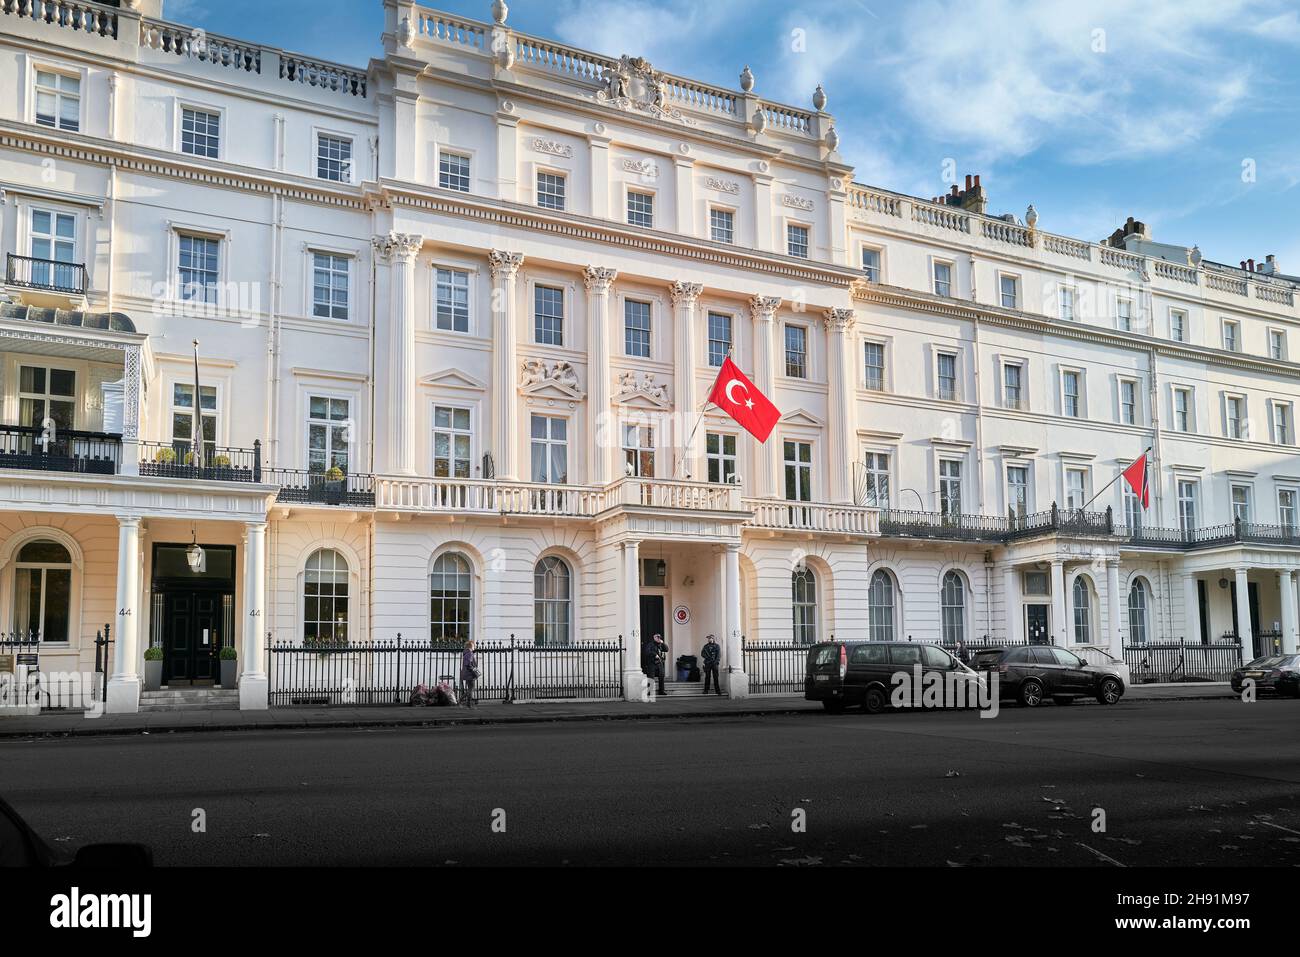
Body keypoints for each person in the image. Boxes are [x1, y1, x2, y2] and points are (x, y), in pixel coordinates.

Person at [460, 638, 480, 707]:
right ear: (471, 646)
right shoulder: (470, 653)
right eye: (474, 645)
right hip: (469, 674)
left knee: (470, 688)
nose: (475, 647)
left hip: (466, 673)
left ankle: (461, 700)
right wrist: (473, 670)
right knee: (471, 688)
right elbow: (468, 663)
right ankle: (468, 703)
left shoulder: (466, 653)